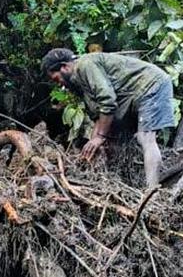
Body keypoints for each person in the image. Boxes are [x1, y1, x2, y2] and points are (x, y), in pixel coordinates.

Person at [41, 48, 176, 187]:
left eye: (56, 78)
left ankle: (152, 191)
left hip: (152, 85)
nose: (59, 84)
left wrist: (100, 137)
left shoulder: (86, 64)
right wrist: (92, 144)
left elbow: (107, 101)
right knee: (114, 139)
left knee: (146, 138)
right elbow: (98, 115)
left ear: (64, 67)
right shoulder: (78, 81)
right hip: (134, 93)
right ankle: (125, 184)